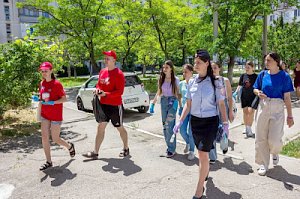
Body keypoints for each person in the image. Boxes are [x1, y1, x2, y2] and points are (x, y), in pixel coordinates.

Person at [173, 50, 228, 199]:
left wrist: (225, 123)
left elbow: (221, 104)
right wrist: (181, 120)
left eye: (198, 62)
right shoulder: (191, 81)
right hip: (195, 122)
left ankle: (199, 190)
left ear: (207, 63)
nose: (195, 64)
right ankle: (205, 172)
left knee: (203, 155)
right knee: (201, 154)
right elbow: (188, 104)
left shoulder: (216, 81)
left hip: (210, 122)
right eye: (195, 61)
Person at [83, 50, 129, 159]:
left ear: (114, 60)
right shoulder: (102, 71)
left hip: (114, 106)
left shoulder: (119, 74)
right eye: (105, 58)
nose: (105, 60)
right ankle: (95, 152)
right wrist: (98, 90)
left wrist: (105, 94)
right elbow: (99, 84)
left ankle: (126, 148)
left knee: (119, 127)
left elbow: (119, 92)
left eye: (108, 58)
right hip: (103, 104)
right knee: (100, 127)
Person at [253, 52, 294, 176]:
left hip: (277, 107)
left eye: (269, 60)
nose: (266, 63)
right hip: (263, 106)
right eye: (266, 60)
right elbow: (255, 88)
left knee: (274, 140)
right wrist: (258, 92)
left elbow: (287, 98)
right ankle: (263, 164)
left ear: (277, 62)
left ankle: (275, 151)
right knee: (261, 137)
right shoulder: (262, 74)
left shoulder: (284, 76)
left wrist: (290, 116)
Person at [38, 62, 75, 171]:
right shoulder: (42, 83)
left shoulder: (57, 84)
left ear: (51, 71)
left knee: (55, 139)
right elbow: (42, 98)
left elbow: (64, 99)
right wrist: (39, 100)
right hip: (45, 114)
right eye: (42, 71)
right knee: (44, 137)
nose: (44, 73)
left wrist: (53, 102)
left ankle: (69, 146)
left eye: (46, 71)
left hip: (55, 115)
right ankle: (49, 161)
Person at [150, 60, 180, 158]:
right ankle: (169, 147)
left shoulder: (175, 80)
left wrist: (180, 106)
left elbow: (177, 94)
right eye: (163, 67)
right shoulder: (161, 79)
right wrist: (153, 104)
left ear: (171, 68)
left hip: (172, 102)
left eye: (166, 67)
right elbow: (159, 92)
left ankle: (171, 149)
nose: (164, 69)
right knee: (164, 126)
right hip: (163, 102)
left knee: (169, 125)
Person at [209, 61, 235, 163]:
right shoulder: (208, 80)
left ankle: (224, 144)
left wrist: (231, 112)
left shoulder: (225, 80)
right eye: (211, 68)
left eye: (215, 68)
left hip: (223, 109)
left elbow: (229, 98)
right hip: (211, 109)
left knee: (223, 130)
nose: (213, 70)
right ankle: (213, 156)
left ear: (219, 69)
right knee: (211, 132)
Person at [233, 61, 258, 137]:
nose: (246, 69)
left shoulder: (256, 76)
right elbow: (240, 85)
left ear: (252, 68)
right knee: (245, 112)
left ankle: (249, 128)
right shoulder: (243, 76)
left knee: (250, 112)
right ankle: (246, 127)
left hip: (253, 96)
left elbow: (258, 86)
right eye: (246, 67)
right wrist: (235, 93)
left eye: (248, 67)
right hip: (244, 96)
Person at [178, 64, 195, 160]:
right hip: (184, 110)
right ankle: (188, 143)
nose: (184, 74)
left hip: (194, 111)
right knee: (182, 130)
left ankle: (192, 151)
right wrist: (180, 105)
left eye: (186, 72)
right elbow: (179, 95)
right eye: (183, 72)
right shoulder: (181, 84)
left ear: (191, 72)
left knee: (191, 132)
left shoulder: (196, 83)